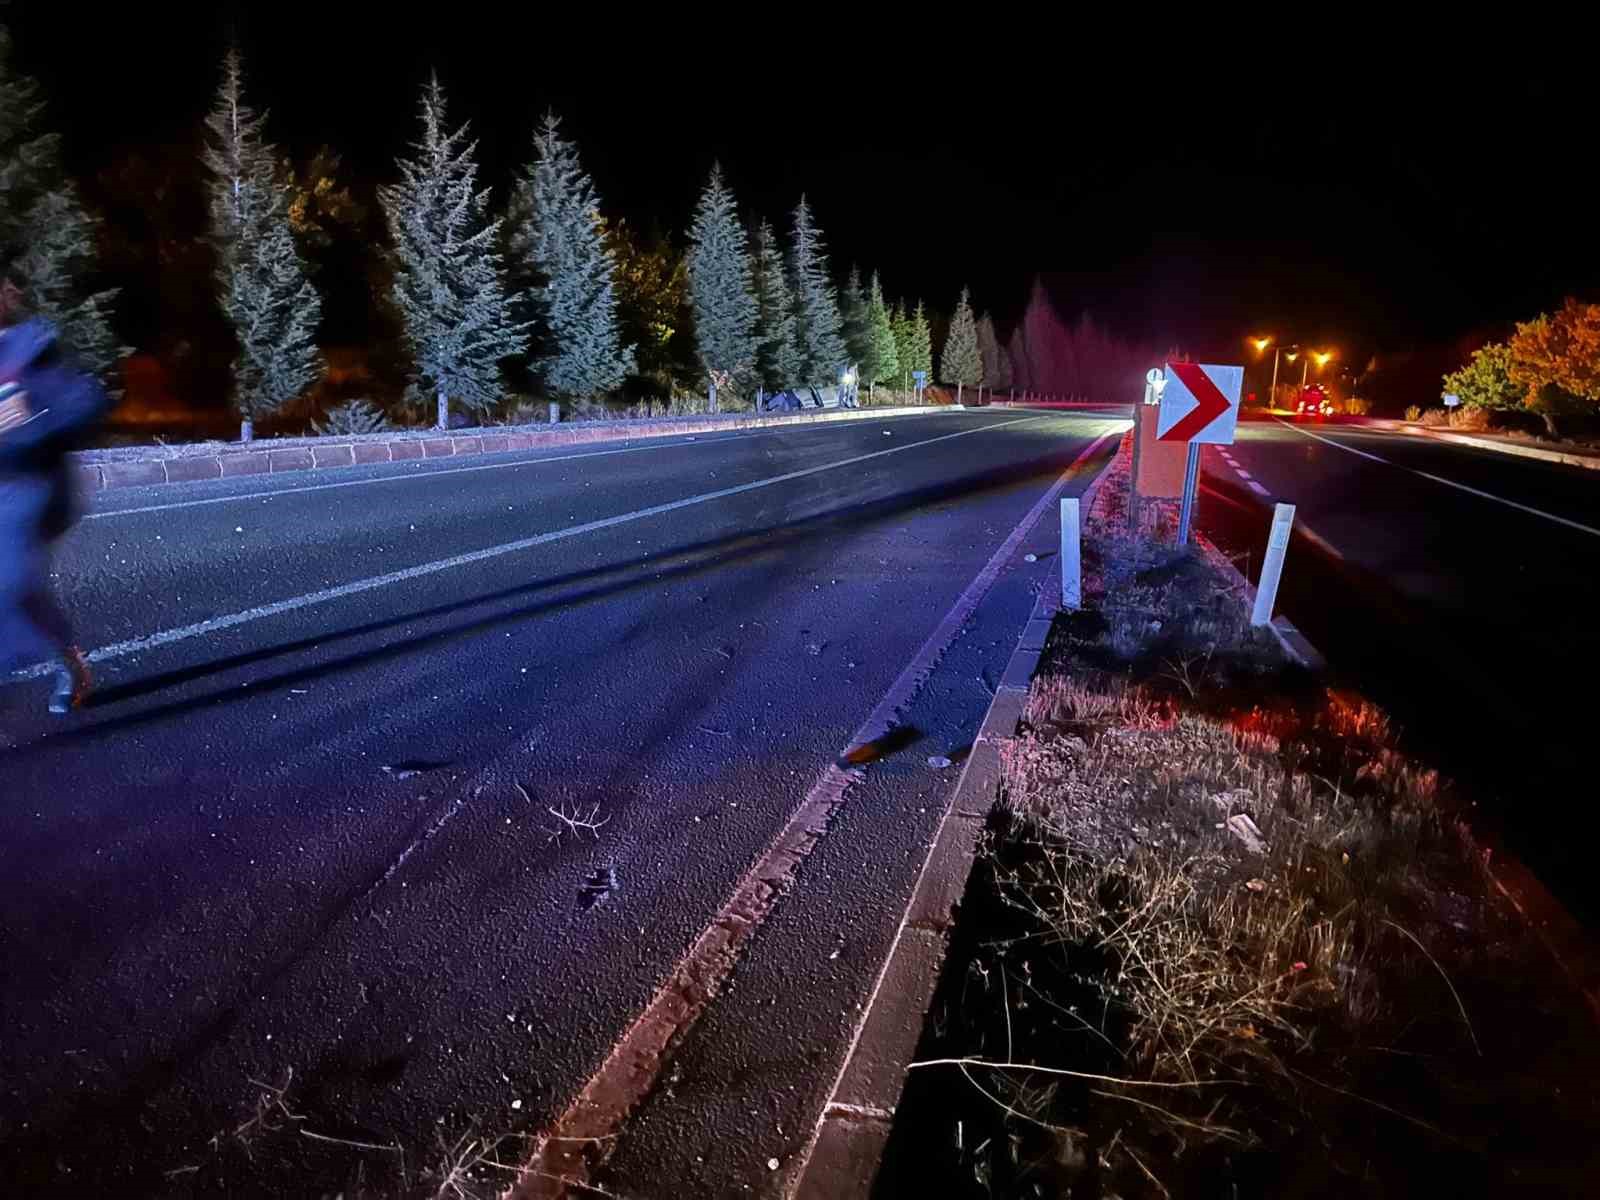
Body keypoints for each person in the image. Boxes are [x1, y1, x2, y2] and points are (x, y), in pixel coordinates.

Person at [0, 276, 109, 715]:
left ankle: (56, 661)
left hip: (32, 487)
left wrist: (29, 420)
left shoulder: (26, 352)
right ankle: (66, 656)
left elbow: (86, 401)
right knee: (16, 589)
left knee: (10, 579)